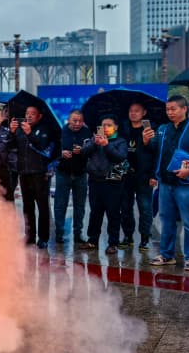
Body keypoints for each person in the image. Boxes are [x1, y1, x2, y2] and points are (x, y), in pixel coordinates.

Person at [146, 95, 189, 270]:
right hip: (166, 182)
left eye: (173, 109)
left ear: (184, 109)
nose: (170, 112)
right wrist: (146, 141)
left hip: (188, 184)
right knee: (167, 220)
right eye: (168, 109)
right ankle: (167, 255)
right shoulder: (163, 129)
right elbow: (154, 150)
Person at [83, 115, 129, 254]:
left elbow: (120, 157)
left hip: (112, 183)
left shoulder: (120, 141)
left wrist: (106, 145)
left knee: (113, 213)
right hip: (95, 181)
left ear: (116, 127)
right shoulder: (94, 139)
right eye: (103, 125)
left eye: (109, 125)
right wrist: (94, 143)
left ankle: (113, 243)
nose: (105, 128)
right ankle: (92, 240)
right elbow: (84, 152)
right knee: (95, 212)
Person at [11, 105, 53, 247]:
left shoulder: (45, 129)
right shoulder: (20, 129)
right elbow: (11, 146)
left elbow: (42, 146)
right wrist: (12, 132)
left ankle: (43, 238)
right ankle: (29, 236)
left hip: (40, 173)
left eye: (32, 114)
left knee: (42, 206)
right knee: (27, 206)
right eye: (27, 113)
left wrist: (30, 134)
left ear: (39, 116)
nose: (29, 116)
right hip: (24, 172)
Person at [120, 103, 158, 250]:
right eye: (130, 110)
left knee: (145, 208)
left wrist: (154, 175)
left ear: (144, 112)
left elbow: (156, 153)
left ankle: (144, 238)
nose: (133, 113)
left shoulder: (150, 129)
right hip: (126, 175)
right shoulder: (123, 128)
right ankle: (128, 236)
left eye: (137, 111)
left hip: (144, 175)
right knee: (125, 207)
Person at [54, 109, 92, 245]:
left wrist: (82, 151)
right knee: (60, 204)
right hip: (63, 172)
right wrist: (61, 153)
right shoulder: (60, 132)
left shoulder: (87, 132)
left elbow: (92, 150)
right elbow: (52, 149)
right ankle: (59, 233)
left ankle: (78, 234)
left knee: (80, 205)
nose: (77, 123)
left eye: (80, 121)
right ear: (69, 120)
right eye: (74, 120)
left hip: (81, 173)